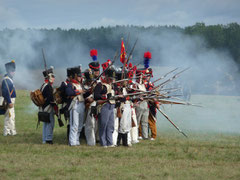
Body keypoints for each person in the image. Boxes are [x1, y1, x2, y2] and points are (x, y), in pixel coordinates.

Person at [94, 67, 115, 147]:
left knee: (110, 125)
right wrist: (105, 97)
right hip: (104, 106)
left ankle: (110, 143)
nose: (111, 80)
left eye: (112, 79)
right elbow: (96, 96)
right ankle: (103, 143)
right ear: (106, 77)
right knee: (103, 125)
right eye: (110, 78)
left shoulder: (112, 85)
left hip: (112, 106)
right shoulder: (100, 85)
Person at [84, 49, 101, 146]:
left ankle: (96, 138)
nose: (97, 72)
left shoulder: (99, 81)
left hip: (98, 104)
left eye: (98, 70)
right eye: (96, 70)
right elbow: (84, 91)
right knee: (90, 124)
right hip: (89, 103)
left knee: (97, 123)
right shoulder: (87, 80)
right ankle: (91, 141)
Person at [66, 66, 85, 146]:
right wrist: (79, 91)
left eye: (81, 76)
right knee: (75, 125)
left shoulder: (80, 84)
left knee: (80, 125)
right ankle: (72, 142)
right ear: (75, 76)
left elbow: (83, 93)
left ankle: (76, 140)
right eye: (79, 76)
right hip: (75, 105)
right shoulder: (71, 84)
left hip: (81, 104)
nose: (80, 77)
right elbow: (69, 92)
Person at [39, 67, 56, 144]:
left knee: (46, 124)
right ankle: (48, 139)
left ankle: (44, 139)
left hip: (43, 107)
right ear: (49, 77)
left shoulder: (43, 85)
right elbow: (50, 99)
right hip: (48, 108)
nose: (53, 78)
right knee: (50, 123)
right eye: (52, 76)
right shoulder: (48, 86)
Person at [2, 60, 17, 136]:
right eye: (12, 71)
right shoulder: (6, 80)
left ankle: (9, 131)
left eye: (14, 71)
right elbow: (6, 92)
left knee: (10, 116)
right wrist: (9, 101)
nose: (13, 72)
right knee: (10, 116)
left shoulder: (8, 79)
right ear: (8, 71)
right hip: (9, 100)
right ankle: (9, 132)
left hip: (10, 100)